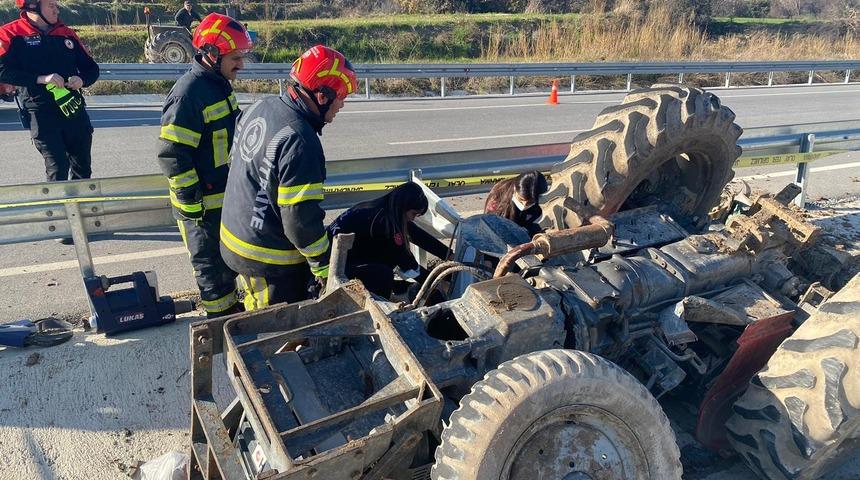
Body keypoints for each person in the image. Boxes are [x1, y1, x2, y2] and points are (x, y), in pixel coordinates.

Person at [220, 45, 357, 310]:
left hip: (235, 235)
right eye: (340, 96)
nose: (342, 104)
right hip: (265, 259)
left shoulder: (261, 105)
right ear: (322, 94)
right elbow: (300, 223)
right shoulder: (300, 140)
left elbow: (235, 162)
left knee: (255, 303)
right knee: (277, 331)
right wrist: (323, 267)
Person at [156, 13, 252, 318]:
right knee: (211, 269)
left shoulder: (218, 85)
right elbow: (172, 152)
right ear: (211, 54)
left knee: (227, 264)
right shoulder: (189, 94)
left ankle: (232, 314)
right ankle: (221, 325)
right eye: (235, 57)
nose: (241, 64)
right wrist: (190, 203)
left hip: (221, 198)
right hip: (200, 206)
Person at [0, 0, 99, 182]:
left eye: (56, 5)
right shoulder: (10, 33)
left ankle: (82, 206)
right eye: (51, 5)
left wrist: (82, 79)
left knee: (82, 167)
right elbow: (2, 71)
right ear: (33, 6)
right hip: (40, 111)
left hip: (73, 108)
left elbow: (91, 69)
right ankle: (58, 208)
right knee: (58, 167)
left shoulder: (66, 33)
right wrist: (40, 78)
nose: (57, 9)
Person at [328, 182, 449, 299]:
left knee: (387, 255)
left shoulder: (383, 208)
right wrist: (435, 283)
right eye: (413, 214)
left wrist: (448, 254)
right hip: (336, 271)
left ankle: (393, 287)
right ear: (404, 206)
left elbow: (415, 234)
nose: (412, 219)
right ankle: (381, 302)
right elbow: (405, 260)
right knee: (384, 273)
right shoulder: (382, 222)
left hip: (340, 259)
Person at [484, 171, 548, 236]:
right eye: (521, 200)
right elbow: (490, 224)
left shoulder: (542, 200)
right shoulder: (497, 195)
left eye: (530, 202)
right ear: (515, 189)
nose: (524, 205)